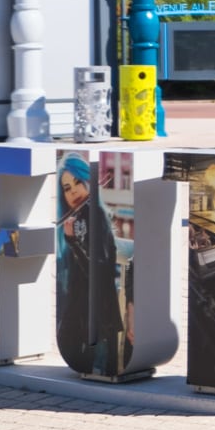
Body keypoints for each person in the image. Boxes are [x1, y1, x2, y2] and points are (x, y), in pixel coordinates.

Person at [57, 154, 127, 376]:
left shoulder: (94, 213)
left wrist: (72, 241)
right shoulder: (77, 215)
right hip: (82, 311)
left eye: (78, 182)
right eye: (67, 188)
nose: (73, 192)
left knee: (99, 365)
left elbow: (98, 269)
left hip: (98, 315)